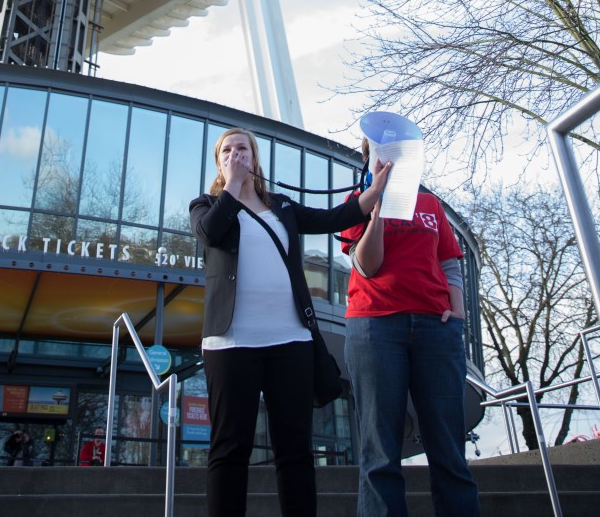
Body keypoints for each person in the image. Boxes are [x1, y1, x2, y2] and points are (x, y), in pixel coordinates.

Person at [189, 126, 391, 517]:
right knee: (230, 448)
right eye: (227, 150)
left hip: (290, 341)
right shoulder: (206, 206)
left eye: (242, 148)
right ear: (218, 162)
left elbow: (333, 217)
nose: (235, 154)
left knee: (295, 449)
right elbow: (210, 234)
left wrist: (376, 190)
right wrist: (231, 186)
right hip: (231, 344)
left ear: (255, 158)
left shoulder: (281, 207)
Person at [343, 139, 480, 517]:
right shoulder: (357, 203)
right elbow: (366, 266)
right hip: (375, 326)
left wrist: (457, 313)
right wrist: (377, 209)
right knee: (380, 451)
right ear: (369, 158)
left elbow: (450, 264)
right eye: (379, 150)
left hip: (436, 328)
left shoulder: (431, 205)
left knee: (449, 448)